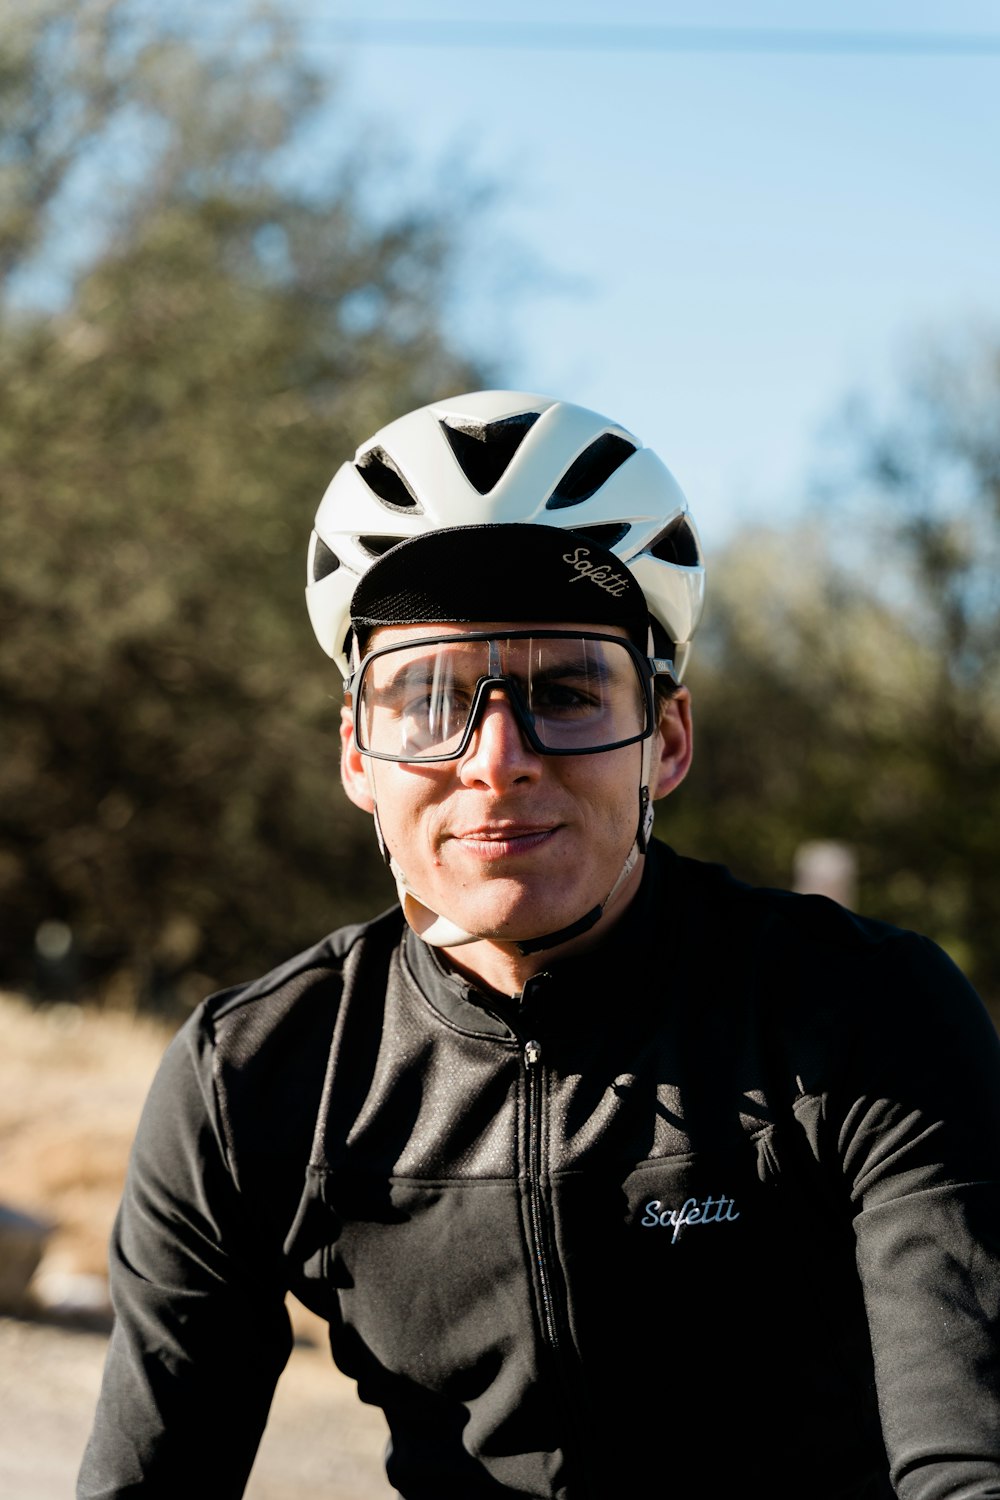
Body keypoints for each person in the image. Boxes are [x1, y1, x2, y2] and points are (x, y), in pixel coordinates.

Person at [78, 391, 1000, 1500]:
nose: (497, 758)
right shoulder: (254, 1073)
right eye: (429, 696)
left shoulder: (861, 1010)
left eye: (564, 690)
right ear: (357, 757)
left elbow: (968, 1459)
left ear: (664, 740)